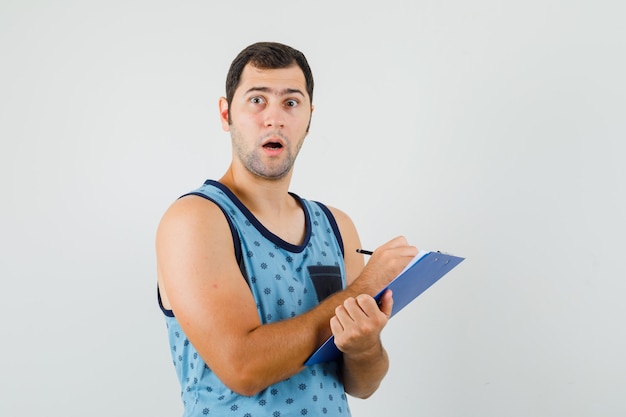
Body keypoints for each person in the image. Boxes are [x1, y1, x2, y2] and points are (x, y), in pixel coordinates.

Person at [156, 41, 418, 416]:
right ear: (226, 113)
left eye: (291, 103)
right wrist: (364, 288)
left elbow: (360, 384)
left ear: (309, 117)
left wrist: (364, 347)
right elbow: (242, 368)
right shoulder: (195, 220)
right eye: (257, 100)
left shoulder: (338, 227)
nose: (274, 118)